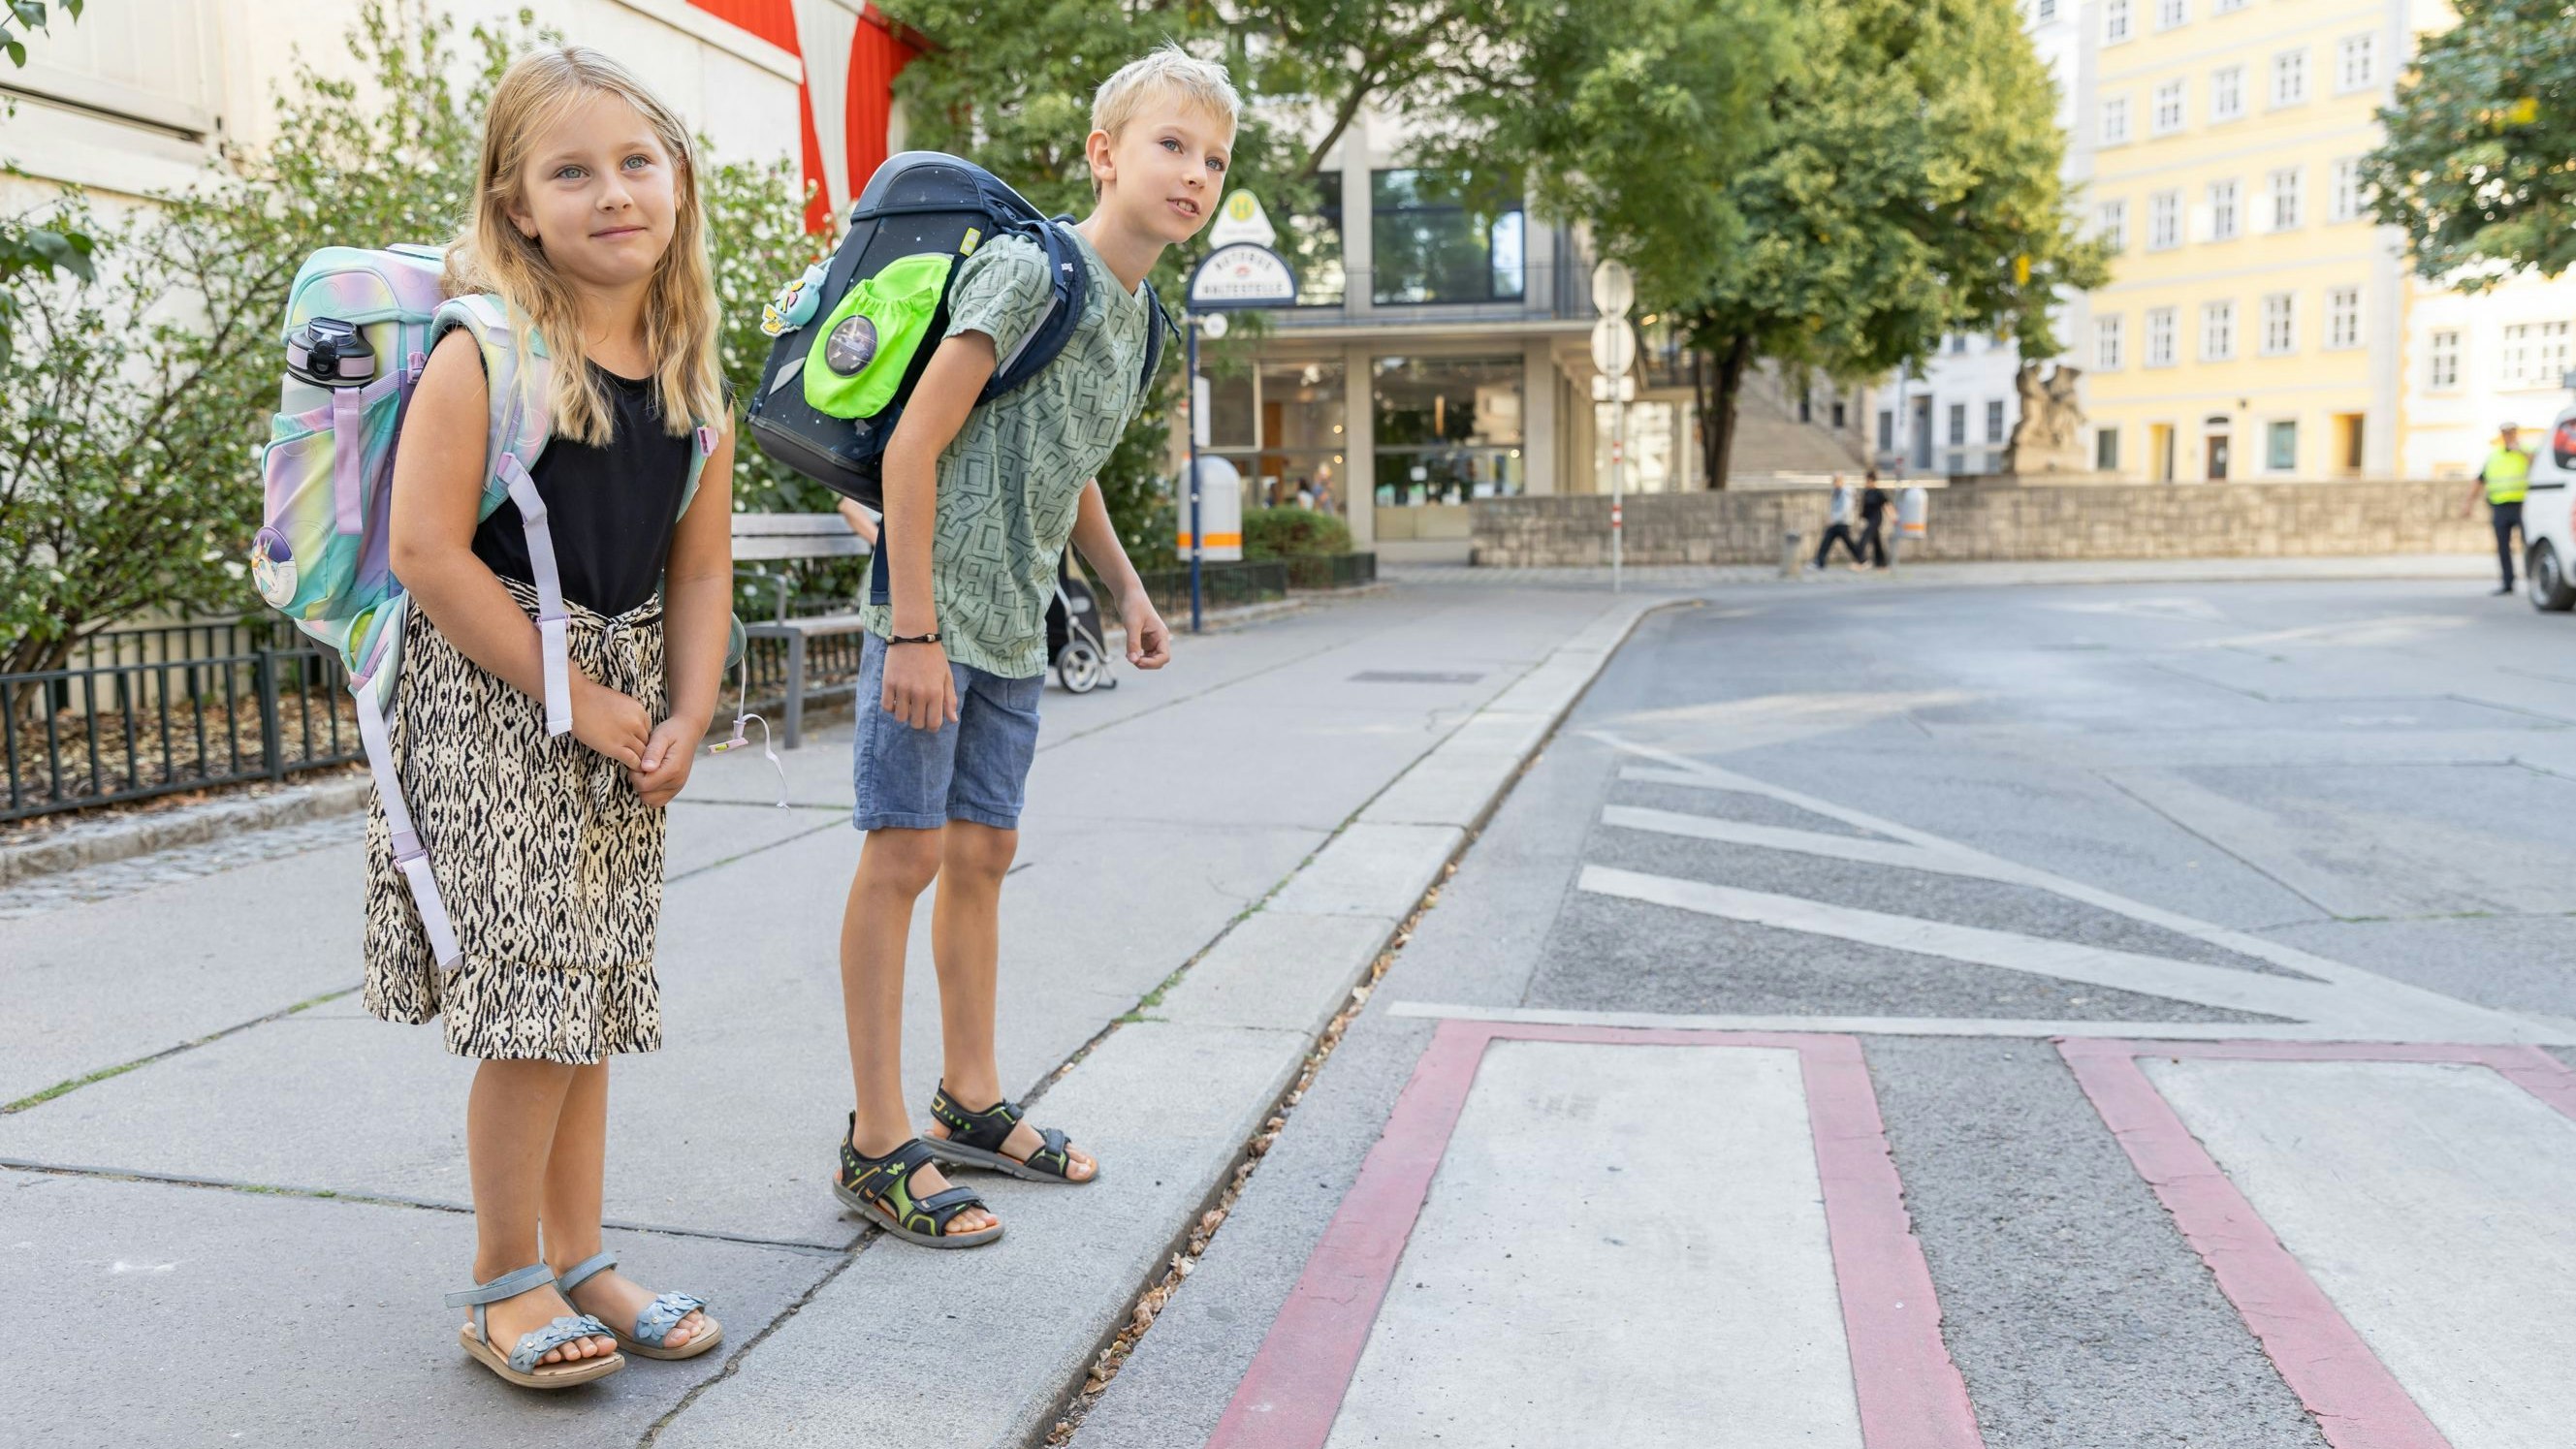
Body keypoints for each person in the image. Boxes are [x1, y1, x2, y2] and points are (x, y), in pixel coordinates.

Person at [375, 47, 730, 1386]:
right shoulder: (485, 353)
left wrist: (689, 706)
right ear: (517, 206)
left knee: (591, 988)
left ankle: (580, 1254)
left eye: (636, 162)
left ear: (678, 181)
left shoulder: (688, 371)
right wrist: (571, 696)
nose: (613, 192)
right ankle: (502, 1279)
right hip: (493, 700)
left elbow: (699, 570)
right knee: (534, 1001)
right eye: (571, 172)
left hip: (617, 699)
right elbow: (426, 551)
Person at [827, 44, 1212, 1247]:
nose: (1192, 174)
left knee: (983, 854)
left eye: (1212, 159)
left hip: (1013, 623)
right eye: (1169, 145)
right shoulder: (1028, 269)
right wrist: (913, 630)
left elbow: (1069, 460)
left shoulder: (1140, 322)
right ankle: (876, 1139)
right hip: (931, 614)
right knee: (903, 856)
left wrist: (1125, 590)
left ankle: (971, 1097)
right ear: (1104, 154)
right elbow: (912, 446)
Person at [2465, 423, 2534, 595]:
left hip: (2523, 505)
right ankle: (2507, 583)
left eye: (2511, 433)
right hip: (2500, 507)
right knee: (2503, 547)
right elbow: (2480, 480)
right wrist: (2468, 503)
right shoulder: (2494, 456)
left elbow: (2539, 464)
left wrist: (2520, 451)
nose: (2508, 436)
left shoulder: (2526, 452)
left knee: (2530, 544)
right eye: (2505, 433)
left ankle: (2535, 581)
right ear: (2501, 435)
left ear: (2516, 434)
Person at [1810, 474, 1864, 570]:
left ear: (1841, 481)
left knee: (1848, 543)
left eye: (1836, 481)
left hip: (1843, 522)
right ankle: (1819, 561)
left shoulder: (1846, 492)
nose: (1834, 483)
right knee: (1827, 541)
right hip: (1836, 522)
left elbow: (1846, 508)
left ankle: (1861, 559)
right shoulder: (1836, 491)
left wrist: (1834, 519)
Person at [1858, 470, 1892, 569]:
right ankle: (1882, 563)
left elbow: (1887, 505)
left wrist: (1893, 517)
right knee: (1877, 542)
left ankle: (1862, 560)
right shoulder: (1866, 492)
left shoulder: (1878, 492)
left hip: (1876, 519)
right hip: (1869, 519)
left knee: (1864, 539)